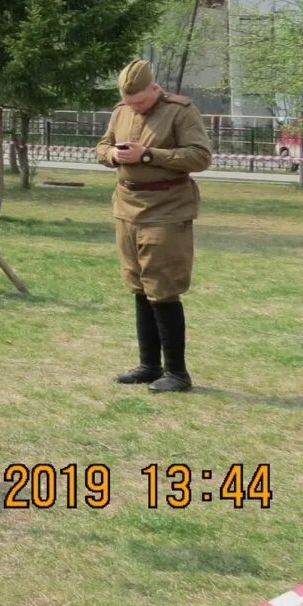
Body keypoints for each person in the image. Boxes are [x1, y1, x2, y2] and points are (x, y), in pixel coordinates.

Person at [92, 59, 212, 393]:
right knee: (139, 286)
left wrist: (147, 155)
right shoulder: (121, 111)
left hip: (167, 210)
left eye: (140, 102)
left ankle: (176, 372)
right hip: (127, 208)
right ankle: (149, 365)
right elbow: (102, 146)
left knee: (163, 288)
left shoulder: (181, 112)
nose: (135, 107)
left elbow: (200, 157)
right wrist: (114, 156)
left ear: (154, 89)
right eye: (129, 102)